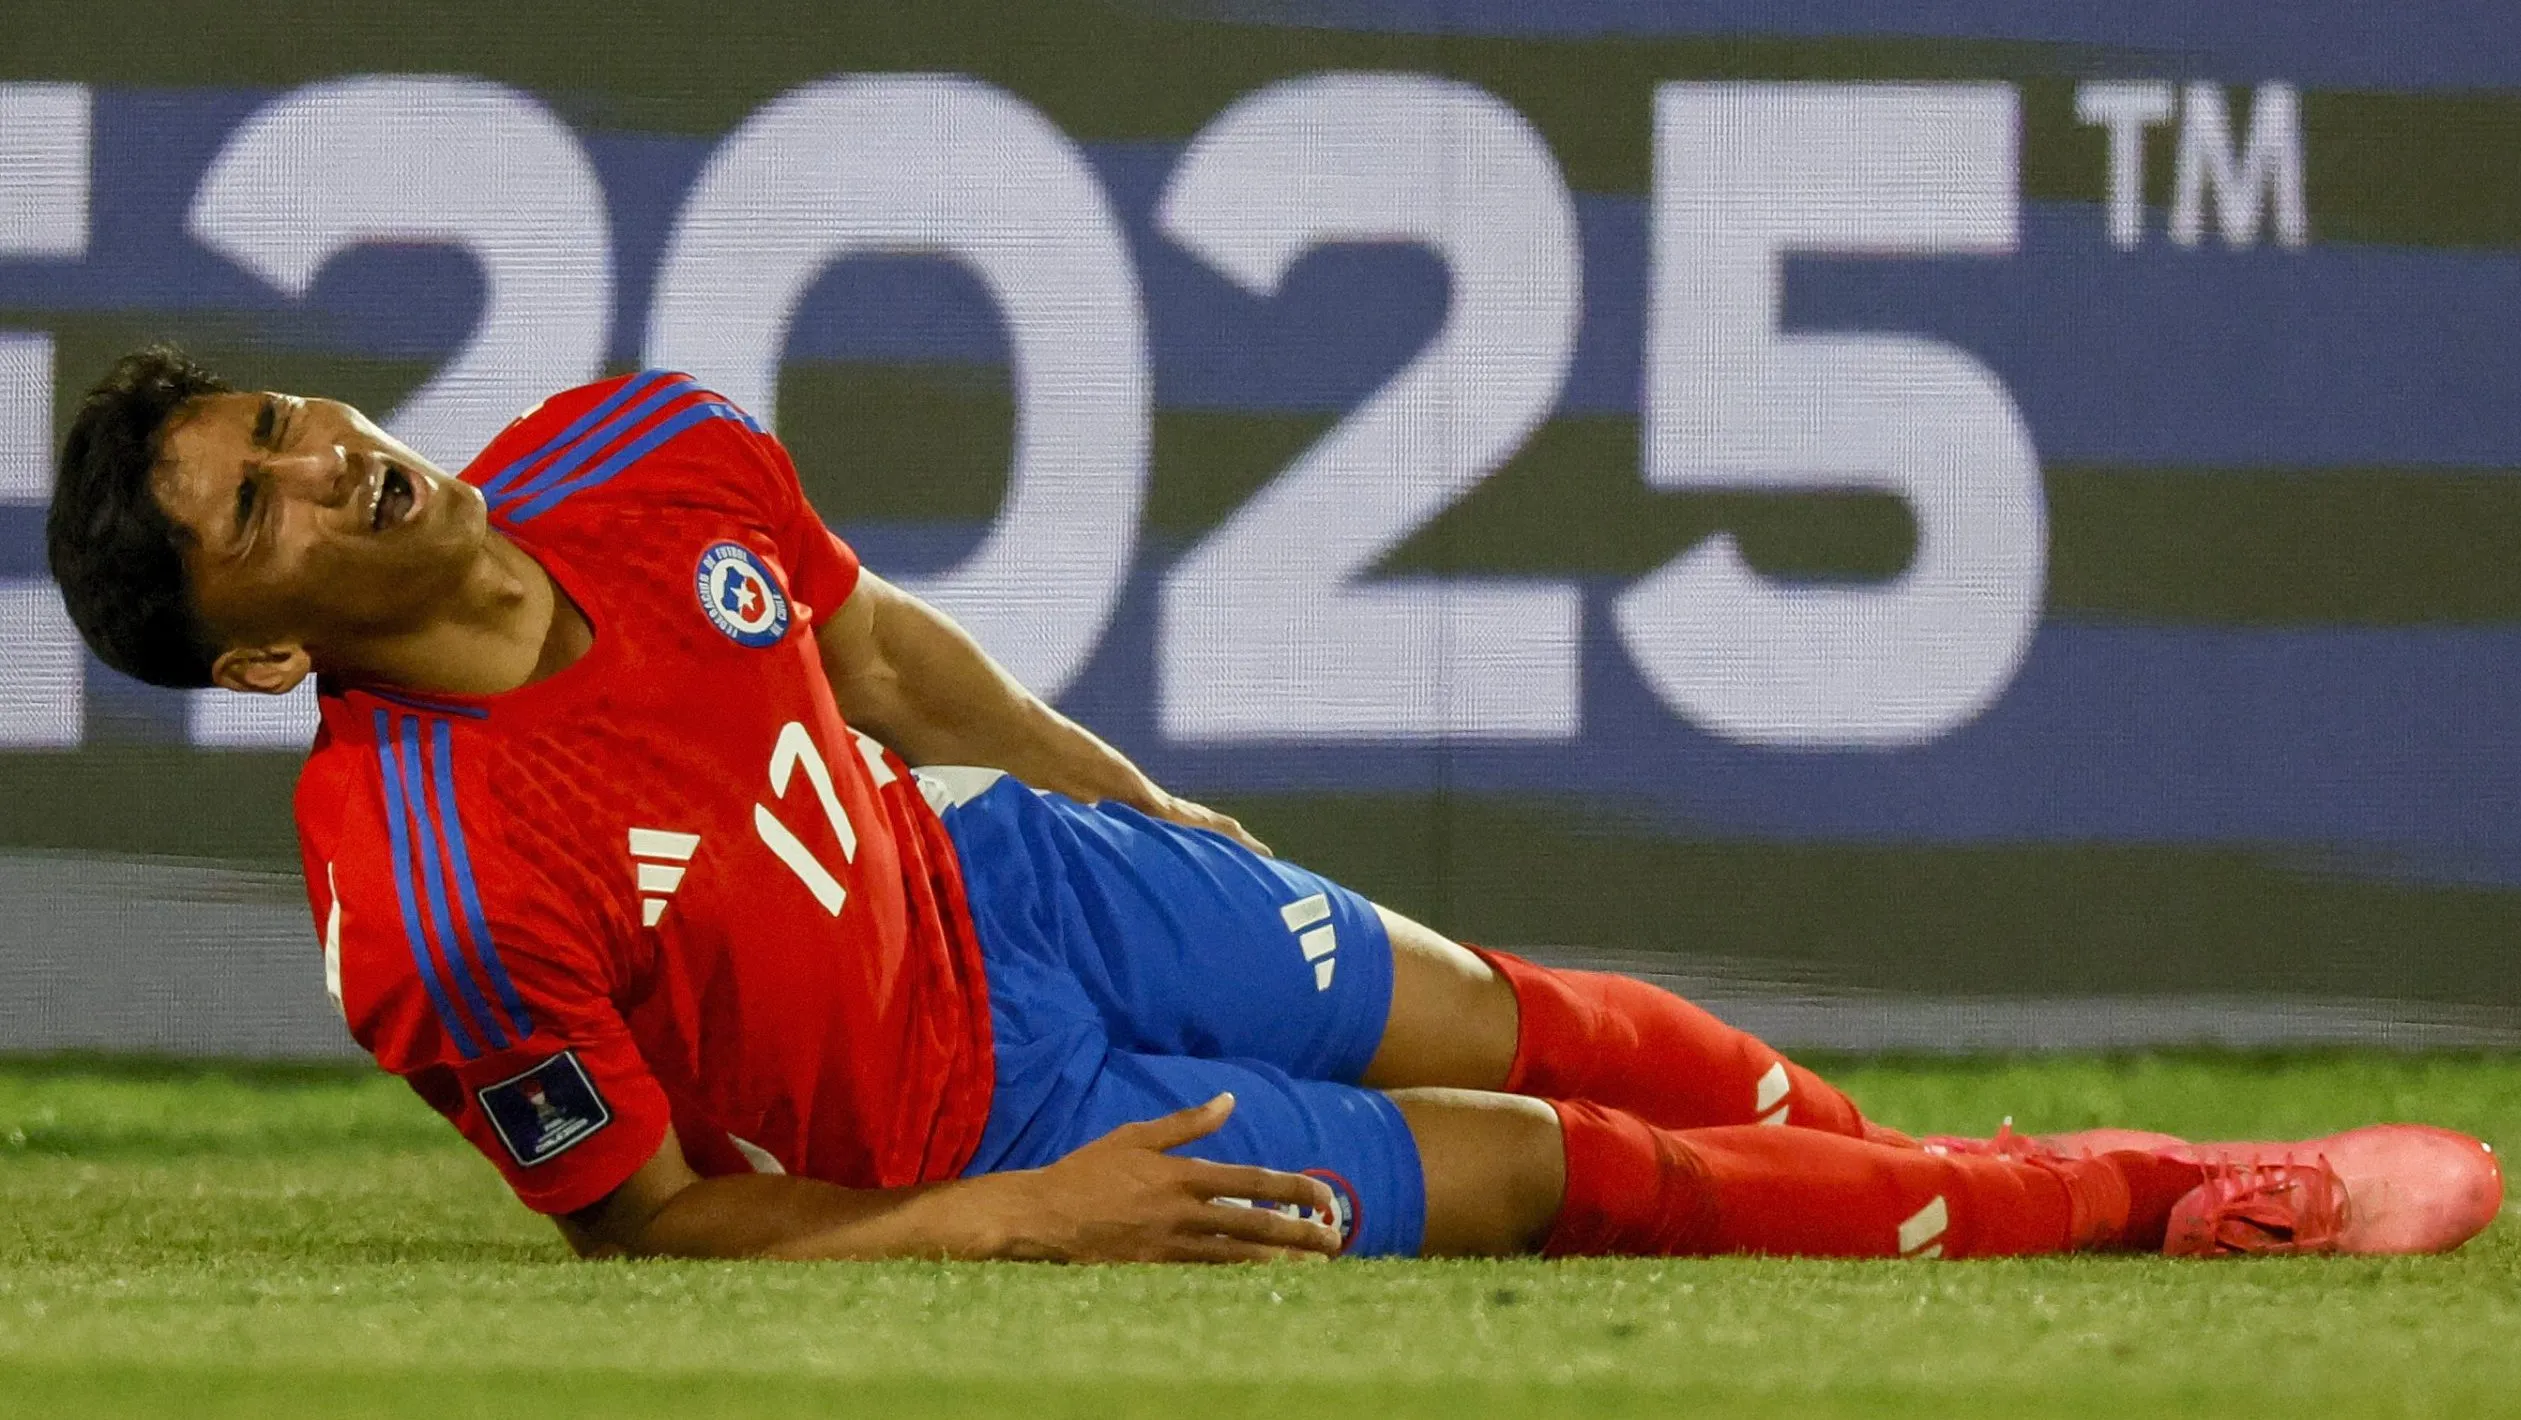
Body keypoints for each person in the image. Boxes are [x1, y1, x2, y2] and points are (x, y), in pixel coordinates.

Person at [44, 347, 2501, 1264]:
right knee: (1559, 1178)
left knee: (1547, 1015)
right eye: (259, 502)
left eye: (277, 420)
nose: (321, 451)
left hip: (1020, 878)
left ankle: (1892, 1180)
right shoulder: (431, 907)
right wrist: (1023, 1214)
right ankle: (2171, 1199)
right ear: (266, 648)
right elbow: (662, 1218)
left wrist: (1128, 797)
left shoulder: (637, 440)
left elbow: (866, 642)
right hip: (994, 1108)